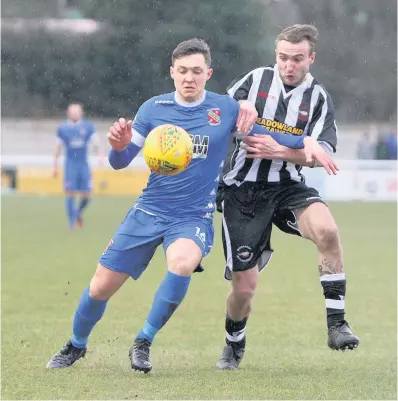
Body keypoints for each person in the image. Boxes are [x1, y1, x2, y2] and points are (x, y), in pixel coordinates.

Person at [46, 38, 334, 373]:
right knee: (100, 287)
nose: (189, 78)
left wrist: (308, 142)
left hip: (191, 218)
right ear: (172, 72)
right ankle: (76, 345)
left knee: (181, 263)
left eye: (196, 71)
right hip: (148, 211)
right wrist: (118, 145)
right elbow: (120, 161)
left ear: (208, 73)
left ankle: (144, 341)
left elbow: (268, 133)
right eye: (182, 71)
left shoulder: (225, 109)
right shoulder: (153, 109)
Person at [215, 24, 359, 370]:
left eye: (297, 59)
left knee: (327, 230)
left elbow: (319, 152)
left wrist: (281, 150)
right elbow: (219, 115)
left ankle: (337, 324)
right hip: (241, 191)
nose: (288, 65)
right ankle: (234, 342)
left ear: (311, 58)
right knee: (245, 288)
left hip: (287, 186)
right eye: (283, 57)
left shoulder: (319, 98)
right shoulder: (254, 82)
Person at [53, 103, 103, 229]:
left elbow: (96, 142)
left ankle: (77, 212)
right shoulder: (62, 128)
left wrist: (101, 155)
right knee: (70, 193)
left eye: (77, 111)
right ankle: (72, 223)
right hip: (70, 164)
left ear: (81, 113)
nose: (74, 114)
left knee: (87, 195)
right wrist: (54, 165)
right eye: (72, 111)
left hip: (83, 164)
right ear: (68, 113)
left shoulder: (88, 126)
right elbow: (58, 147)